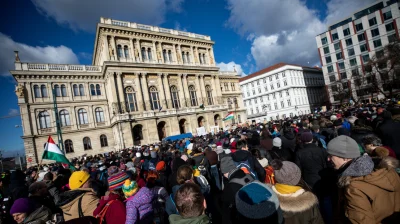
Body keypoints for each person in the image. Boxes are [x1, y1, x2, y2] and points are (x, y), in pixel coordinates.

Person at [327, 135, 400, 223]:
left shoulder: (353, 187)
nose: (328, 159)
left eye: (331, 156)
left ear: (345, 157)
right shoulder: (387, 171)